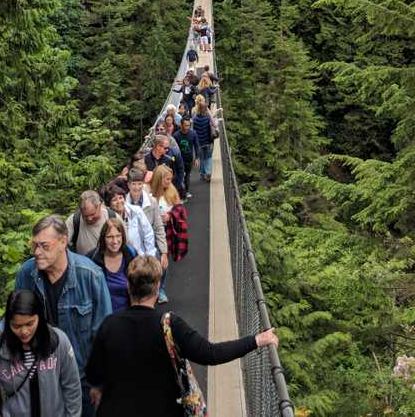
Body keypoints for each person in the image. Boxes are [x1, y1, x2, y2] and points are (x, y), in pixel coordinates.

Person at [85, 256, 279, 416]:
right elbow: (211, 353)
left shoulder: (109, 325)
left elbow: (93, 373)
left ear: (128, 285)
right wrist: (257, 340)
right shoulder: (169, 325)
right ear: (157, 285)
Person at [0, 214, 111, 417]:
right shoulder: (27, 273)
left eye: (44, 246)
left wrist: (100, 383)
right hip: (43, 373)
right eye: (34, 245)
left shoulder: (90, 276)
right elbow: (17, 312)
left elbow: (104, 336)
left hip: (82, 379)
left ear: (63, 242)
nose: (37, 252)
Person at [0, 289, 81, 417]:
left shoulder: (58, 341)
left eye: (30, 323)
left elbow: (72, 387)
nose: (24, 331)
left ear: (39, 317)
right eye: (16, 326)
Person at [89, 218, 136, 313]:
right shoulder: (93, 259)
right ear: (103, 238)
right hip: (103, 318)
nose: (115, 241)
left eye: (118, 236)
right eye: (110, 237)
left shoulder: (131, 255)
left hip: (127, 316)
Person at [126, 167, 168, 270]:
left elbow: (158, 227)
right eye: (133, 184)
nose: (137, 187)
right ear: (128, 185)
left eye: (139, 184)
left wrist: (164, 252)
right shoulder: (124, 205)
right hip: (133, 252)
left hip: (151, 247)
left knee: (159, 273)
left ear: (143, 184)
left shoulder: (152, 202)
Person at [149, 165, 188, 264]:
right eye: (167, 179)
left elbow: (180, 209)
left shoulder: (172, 190)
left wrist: (170, 215)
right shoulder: (148, 193)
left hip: (168, 229)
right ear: (159, 179)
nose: (170, 181)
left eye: (171, 179)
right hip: (153, 231)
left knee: (164, 258)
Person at [105, 185, 157, 257]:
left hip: (140, 254)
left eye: (121, 198)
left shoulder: (136, 210)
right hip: (121, 256)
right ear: (109, 204)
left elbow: (148, 233)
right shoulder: (108, 218)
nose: (119, 202)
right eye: (114, 200)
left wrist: (150, 255)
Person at [66, 190, 112, 255]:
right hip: (84, 263)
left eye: (92, 214)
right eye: (85, 216)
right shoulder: (74, 220)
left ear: (99, 206)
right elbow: (61, 243)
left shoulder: (112, 217)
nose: (89, 219)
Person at [173, 116, 199, 199]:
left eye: (188, 125)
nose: (187, 127)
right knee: (180, 176)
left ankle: (186, 191)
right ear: (181, 125)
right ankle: (180, 193)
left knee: (187, 175)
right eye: (185, 125)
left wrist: (197, 158)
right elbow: (173, 148)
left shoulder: (193, 133)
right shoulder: (176, 135)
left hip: (189, 158)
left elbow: (196, 146)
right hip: (179, 159)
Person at [192, 95, 215, 183]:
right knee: (208, 157)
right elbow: (214, 124)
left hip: (199, 143)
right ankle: (208, 172)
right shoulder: (207, 117)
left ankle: (202, 173)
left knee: (201, 158)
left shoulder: (194, 119)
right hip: (208, 141)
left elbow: (193, 130)